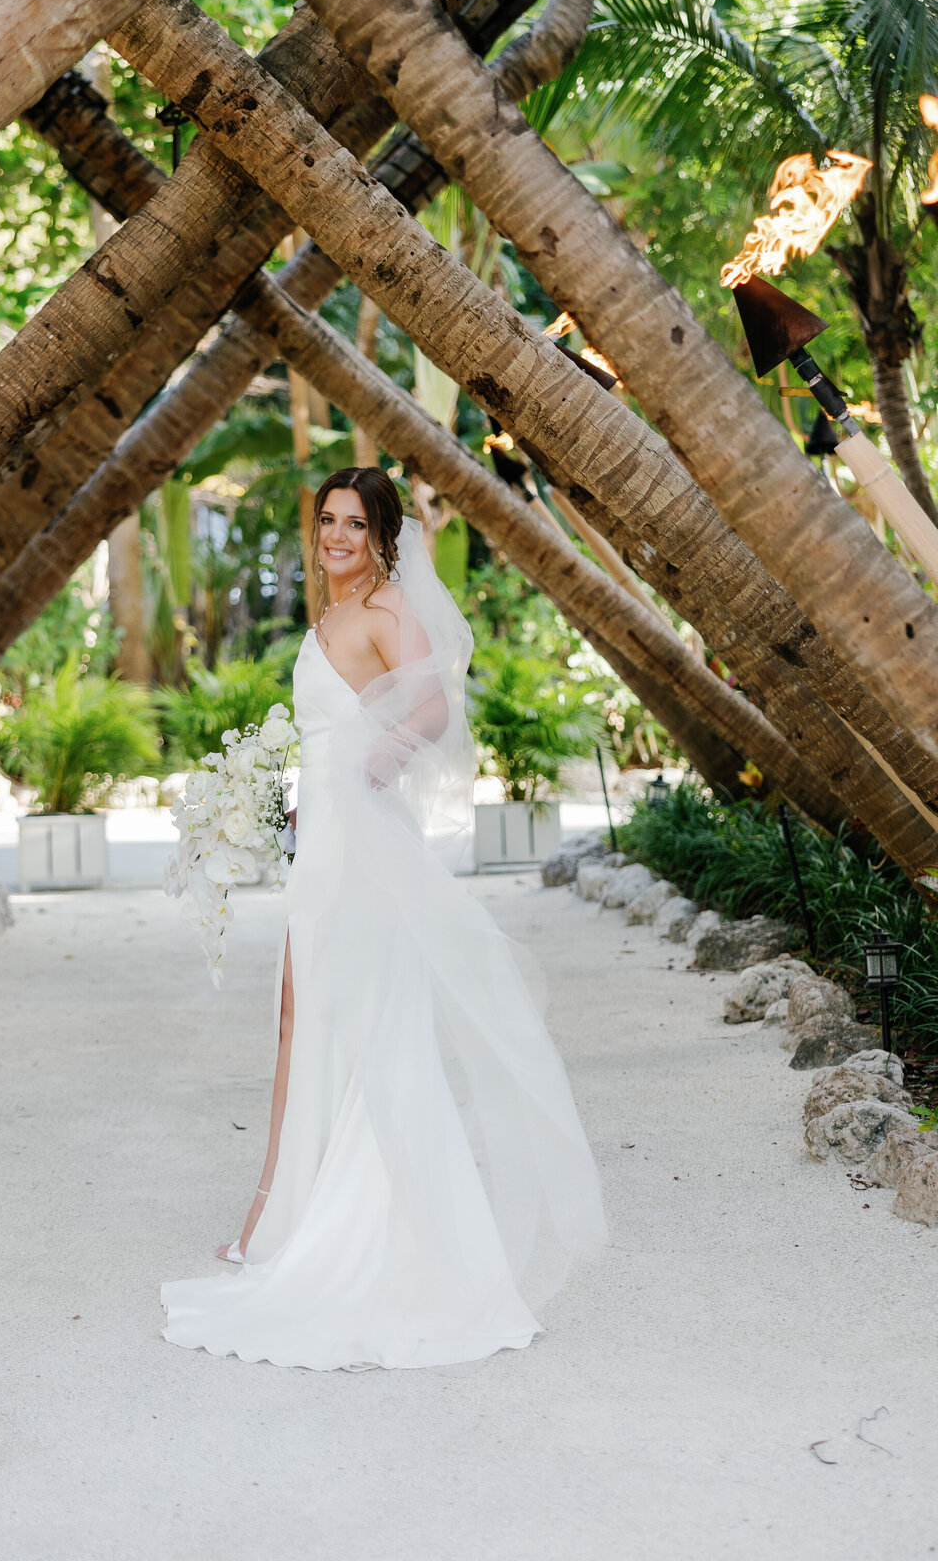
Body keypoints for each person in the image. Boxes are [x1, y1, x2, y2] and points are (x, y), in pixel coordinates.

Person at [161, 467, 605, 1370]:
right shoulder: (327, 616)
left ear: (382, 538)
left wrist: (375, 768)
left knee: (355, 1023)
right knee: (296, 1018)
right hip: (319, 840)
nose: (335, 537)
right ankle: (276, 1210)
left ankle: (319, 1226)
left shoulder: (387, 608)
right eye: (327, 520)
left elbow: (433, 707)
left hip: (356, 849)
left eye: (354, 526)